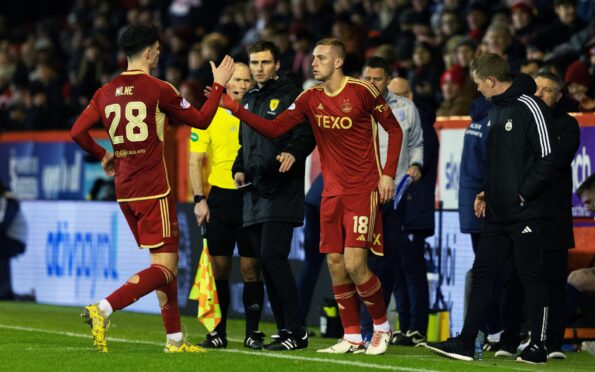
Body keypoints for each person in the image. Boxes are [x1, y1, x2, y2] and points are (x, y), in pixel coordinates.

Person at [219, 37, 403, 355]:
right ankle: (351, 336)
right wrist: (236, 110)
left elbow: (394, 130)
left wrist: (388, 174)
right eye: (313, 58)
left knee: (356, 263)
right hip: (330, 192)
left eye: (319, 58)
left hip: (362, 189)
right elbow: (275, 129)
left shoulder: (362, 91)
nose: (313, 62)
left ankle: (381, 328)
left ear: (338, 61)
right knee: (334, 263)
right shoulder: (309, 98)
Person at [70, 24, 235, 353]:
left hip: (125, 192)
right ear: (147, 52)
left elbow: (77, 131)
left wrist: (104, 155)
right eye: (157, 49)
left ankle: (174, 340)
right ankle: (102, 308)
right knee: (165, 267)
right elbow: (202, 120)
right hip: (153, 190)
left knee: (163, 265)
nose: (159, 53)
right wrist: (218, 87)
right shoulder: (159, 89)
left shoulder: (106, 91)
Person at [425, 53, 556, 364]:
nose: (477, 90)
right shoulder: (495, 111)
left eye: (479, 84)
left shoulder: (531, 107)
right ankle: (468, 341)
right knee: (483, 275)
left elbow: (549, 158)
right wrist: (487, 190)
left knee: (530, 277)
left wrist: (524, 193)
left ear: (493, 81)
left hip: (525, 213)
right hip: (497, 213)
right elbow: (501, 163)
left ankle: (539, 345)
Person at [232, 40, 316, 351]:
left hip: (282, 188)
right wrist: (239, 167)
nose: (259, 68)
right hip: (254, 192)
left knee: (272, 258)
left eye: (265, 62)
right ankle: (285, 330)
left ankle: (297, 331)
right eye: (254, 63)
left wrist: (294, 152)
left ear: (277, 64)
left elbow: (306, 133)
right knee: (267, 264)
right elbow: (246, 142)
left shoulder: (291, 95)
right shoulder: (251, 98)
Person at [496, 71, 580, 360]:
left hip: (554, 218)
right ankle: (508, 340)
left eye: (548, 90)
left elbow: (554, 162)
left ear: (559, 96)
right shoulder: (518, 118)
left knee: (553, 281)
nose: (541, 94)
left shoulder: (568, 125)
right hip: (522, 215)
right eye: (538, 89)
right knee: (514, 278)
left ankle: (551, 342)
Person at [188, 63, 266, 350]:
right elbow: (195, 160)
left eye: (247, 80)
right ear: (225, 82)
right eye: (237, 80)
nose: (242, 85)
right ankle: (217, 333)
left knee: (250, 268)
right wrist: (199, 199)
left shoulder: (257, 113)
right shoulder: (208, 115)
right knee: (218, 268)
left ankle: (252, 332)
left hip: (251, 197)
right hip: (220, 198)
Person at [359, 57, 425, 346]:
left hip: (393, 197)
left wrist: (416, 165)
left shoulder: (405, 108)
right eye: (368, 78)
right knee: (356, 261)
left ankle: (374, 326)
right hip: (359, 196)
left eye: (378, 78)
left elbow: (417, 143)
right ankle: (357, 327)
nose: (373, 83)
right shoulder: (353, 105)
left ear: (387, 79)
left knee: (385, 264)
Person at [388, 77, 438, 347]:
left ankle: (417, 327)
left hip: (413, 211)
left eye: (397, 96)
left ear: (409, 96)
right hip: (399, 209)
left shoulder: (423, 130)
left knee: (413, 270)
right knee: (398, 270)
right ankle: (404, 325)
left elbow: (413, 170)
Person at [0, 179, 27, 300]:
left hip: (15, 239)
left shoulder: (8, 200)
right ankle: (5, 290)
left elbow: (4, 224)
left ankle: (4, 290)